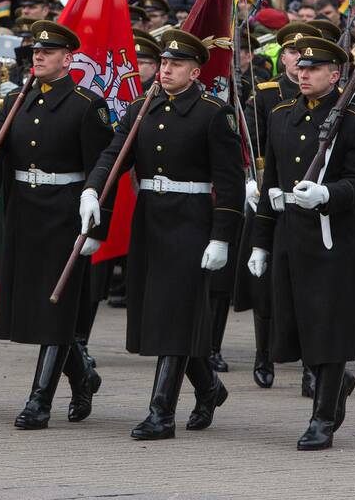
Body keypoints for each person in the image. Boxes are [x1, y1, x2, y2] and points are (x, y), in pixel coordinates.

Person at [83, 29, 243, 440]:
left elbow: (229, 181)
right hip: (150, 219)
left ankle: (161, 413)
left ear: (194, 71)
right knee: (161, 312)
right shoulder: (142, 106)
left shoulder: (212, 112)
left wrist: (222, 236)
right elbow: (113, 155)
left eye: (175, 64)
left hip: (191, 222)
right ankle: (208, 387)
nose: (165, 69)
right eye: (163, 63)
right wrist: (93, 188)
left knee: (176, 314)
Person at [0, 20, 109, 430]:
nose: (37, 57)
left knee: (56, 308)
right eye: (34, 52)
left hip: (65, 213)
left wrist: (97, 228)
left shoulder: (85, 104)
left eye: (47, 52)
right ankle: (83, 377)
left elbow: (103, 169)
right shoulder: (18, 100)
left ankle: (40, 399)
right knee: (35, 307)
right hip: (25, 212)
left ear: (68, 58)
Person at [248, 34, 355, 451]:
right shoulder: (282, 115)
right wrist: (261, 242)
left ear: (335, 75)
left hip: (334, 237)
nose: (303, 74)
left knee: (330, 324)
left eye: (314, 69)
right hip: (292, 236)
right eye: (300, 67)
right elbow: (271, 185)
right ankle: (336, 380)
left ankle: (322, 418)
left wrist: (327, 195)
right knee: (303, 323)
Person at [242, 22, 323, 396]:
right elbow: (244, 141)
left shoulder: (329, 103)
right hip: (265, 197)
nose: (297, 63)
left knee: (306, 287)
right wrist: (249, 179)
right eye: (291, 53)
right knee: (263, 282)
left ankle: (311, 364)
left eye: (305, 57)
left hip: (304, 202)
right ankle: (264, 353)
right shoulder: (265, 94)